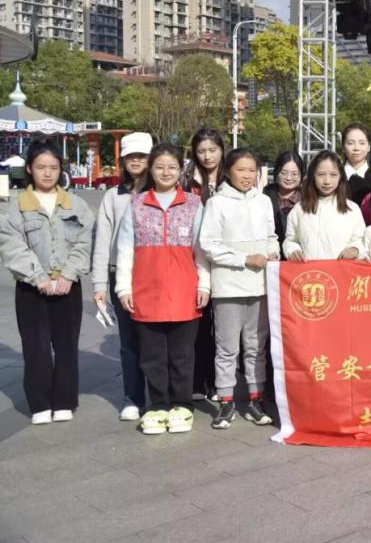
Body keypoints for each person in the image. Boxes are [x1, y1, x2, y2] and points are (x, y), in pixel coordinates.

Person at [115, 143, 209, 435]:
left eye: (172, 167)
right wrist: (123, 288)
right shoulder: (137, 204)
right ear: (150, 169)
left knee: (182, 355)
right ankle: (157, 405)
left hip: (184, 291)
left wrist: (204, 283)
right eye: (159, 167)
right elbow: (125, 249)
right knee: (151, 355)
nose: (166, 172)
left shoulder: (193, 204)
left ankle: (182, 405)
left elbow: (201, 251)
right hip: (147, 291)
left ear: (180, 169)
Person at [0, 137, 94, 426]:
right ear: (29, 168)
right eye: (41, 167)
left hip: (68, 287)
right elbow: (12, 246)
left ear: (60, 169)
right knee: (36, 347)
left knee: (66, 347)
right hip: (31, 289)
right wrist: (38, 277)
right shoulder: (17, 207)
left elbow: (84, 242)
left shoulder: (76, 204)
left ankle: (64, 401)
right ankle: (40, 403)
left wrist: (68, 275)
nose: (47, 173)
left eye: (53, 167)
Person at [200, 148, 279, 430]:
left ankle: (256, 399)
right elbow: (208, 245)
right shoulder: (217, 203)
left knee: (256, 347)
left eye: (251, 170)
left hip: (260, 285)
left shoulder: (263, 201)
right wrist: (244, 259)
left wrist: (272, 252)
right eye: (241, 169)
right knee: (227, 348)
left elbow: (271, 236)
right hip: (229, 287)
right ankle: (226, 401)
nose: (247, 175)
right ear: (228, 171)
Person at [91, 131, 153, 422]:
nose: (136, 161)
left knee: (155, 341)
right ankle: (133, 398)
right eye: (131, 157)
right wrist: (99, 284)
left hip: (154, 275)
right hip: (121, 276)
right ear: (123, 161)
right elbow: (103, 242)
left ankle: (160, 395)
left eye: (142, 156)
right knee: (129, 343)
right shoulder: (112, 196)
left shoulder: (160, 191)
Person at [182, 128, 224, 401]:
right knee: (199, 322)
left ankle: (219, 382)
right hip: (195, 257)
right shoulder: (186, 180)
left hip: (226, 259)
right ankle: (198, 380)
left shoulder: (232, 176)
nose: (207, 156)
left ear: (222, 150)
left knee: (222, 326)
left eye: (212, 150)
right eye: (201, 151)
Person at [284, 150, 367, 262]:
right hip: (310, 272)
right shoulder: (299, 209)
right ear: (313, 176)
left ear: (340, 177)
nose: (327, 181)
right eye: (321, 175)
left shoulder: (352, 209)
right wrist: (293, 250)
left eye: (333, 175)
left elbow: (360, 239)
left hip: (341, 271)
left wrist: (355, 249)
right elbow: (291, 239)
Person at [263, 151, 305, 256]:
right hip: (270, 256)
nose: (289, 178)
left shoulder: (308, 198)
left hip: (300, 257)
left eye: (294, 174)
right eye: (284, 173)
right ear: (277, 172)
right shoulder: (264, 196)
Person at [340, 123, 371, 205]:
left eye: (362, 143)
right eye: (350, 143)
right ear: (343, 147)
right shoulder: (335, 175)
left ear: (369, 147)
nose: (356, 148)